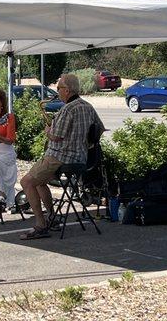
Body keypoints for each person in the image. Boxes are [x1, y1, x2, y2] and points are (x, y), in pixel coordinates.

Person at [19, 74, 105, 239]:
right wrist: (85, 144)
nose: (57, 92)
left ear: (67, 90)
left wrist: (48, 132)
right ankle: (52, 217)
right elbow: (99, 129)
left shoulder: (68, 109)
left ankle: (40, 225)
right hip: (80, 159)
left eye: (58, 88)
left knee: (26, 182)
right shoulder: (88, 106)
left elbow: (57, 137)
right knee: (40, 182)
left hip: (59, 157)